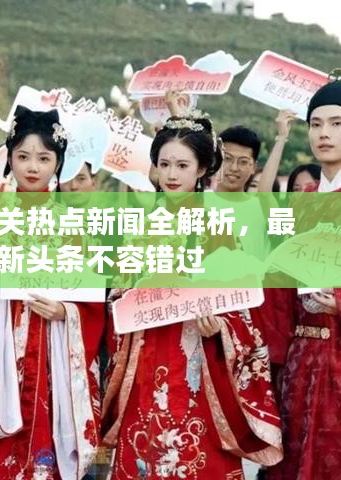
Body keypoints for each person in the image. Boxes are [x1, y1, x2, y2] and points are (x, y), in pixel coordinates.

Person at [102, 112, 282, 479]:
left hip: (198, 366)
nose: (172, 174)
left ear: (201, 169)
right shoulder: (141, 227)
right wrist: (129, 296)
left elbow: (241, 309)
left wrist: (219, 328)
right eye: (164, 164)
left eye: (182, 165)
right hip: (146, 360)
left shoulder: (217, 228)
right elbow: (118, 303)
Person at [0, 106, 106, 480]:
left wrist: (66, 311)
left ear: (58, 163)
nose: (33, 167)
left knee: (42, 449)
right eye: (23, 156)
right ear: (9, 158)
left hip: (50, 352)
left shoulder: (75, 225)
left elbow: (92, 302)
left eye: (44, 158)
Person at [267, 76, 341, 480]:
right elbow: (277, 283)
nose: (324, 133)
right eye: (316, 124)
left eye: (336, 124)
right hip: (300, 361)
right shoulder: (297, 204)